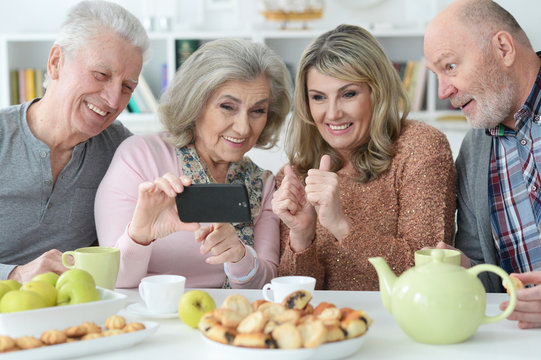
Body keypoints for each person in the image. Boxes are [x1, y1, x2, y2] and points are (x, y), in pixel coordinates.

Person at [271, 24, 456, 291]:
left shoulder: (420, 148)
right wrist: (302, 236)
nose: (332, 114)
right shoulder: (294, 175)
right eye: (319, 97)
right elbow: (296, 299)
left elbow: (427, 276)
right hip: (329, 328)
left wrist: (341, 225)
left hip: (402, 326)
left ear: (376, 92)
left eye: (348, 94)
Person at [95, 38, 292, 289]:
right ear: (195, 104)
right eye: (228, 107)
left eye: (257, 111)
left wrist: (240, 257)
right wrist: (139, 236)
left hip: (230, 322)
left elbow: (266, 284)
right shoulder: (141, 158)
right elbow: (114, 280)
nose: (243, 127)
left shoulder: (262, 183)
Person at [0, 1, 149, 282]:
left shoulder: (121, 150)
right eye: (101, 75)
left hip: (79, 313)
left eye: (128, 87)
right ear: (56, 62)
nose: (114, 100)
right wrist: (15, 275)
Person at [424, 0, 541, 329]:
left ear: (503, 48)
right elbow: (492, 283)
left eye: (449, 67)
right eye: (436, 74)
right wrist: (461, 268)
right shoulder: (475, 152)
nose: (444, 90)